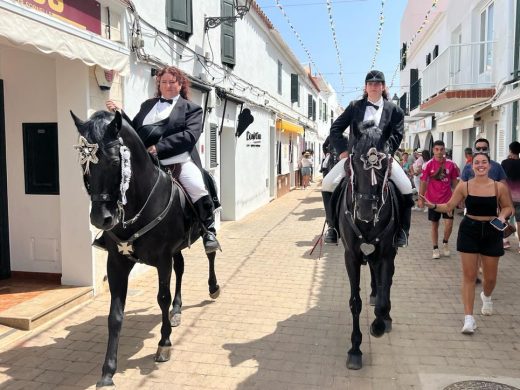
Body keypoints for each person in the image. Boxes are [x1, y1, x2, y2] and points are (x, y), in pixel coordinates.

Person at [105, 66, 219, 253]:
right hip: (147, 161)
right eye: (163, 82)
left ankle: (208, 231)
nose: (167, 86)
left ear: (180, 84)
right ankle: (110, 233)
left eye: (172, 82)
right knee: (119, 184)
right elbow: (134, 131)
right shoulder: (147, 105)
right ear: (159, 84)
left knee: (197, 186)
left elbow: (190, 135)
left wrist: (159, 147)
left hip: (178, 160)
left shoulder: (192, 109)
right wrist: (120, 113)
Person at [421, 152, 513, 334]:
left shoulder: (498, 187)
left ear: (489, 166)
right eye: (477, 162)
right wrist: (431, 205)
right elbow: (449, 206)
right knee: (469, 276)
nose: (480, 165)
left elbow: (508, 206)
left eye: (484, 162)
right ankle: (469, 319)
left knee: (490, 278)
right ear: (472, 166)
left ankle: (486, 296)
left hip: (492, 231)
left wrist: (502, 216)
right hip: (469, 229)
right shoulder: (464, 186)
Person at [322, 70, 412, 246]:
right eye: (370, 83)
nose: (374, 86)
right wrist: (342, 151)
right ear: (366, 87)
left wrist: (386, 153)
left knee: (407, 188)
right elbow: (335, 130)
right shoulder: (355, 106)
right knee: (327, 183)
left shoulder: (395, 110)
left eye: (378, 84)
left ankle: (402, 231)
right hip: (355, 159)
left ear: (383, 86)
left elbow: (397, 135)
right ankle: (332, 228)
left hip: (383, 159)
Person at [460, 139, 508, 249]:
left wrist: (503, 212)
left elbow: (504, 188)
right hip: (471, 214)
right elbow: (461, 187)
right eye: (478, 148)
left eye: (484, 148)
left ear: (489, 150)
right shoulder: (468, 167)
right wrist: (458, 201)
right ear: (474, 150)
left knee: (489, 247)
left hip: (491, 214)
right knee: (472, 247)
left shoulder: (497, 166)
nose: (481, 150)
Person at [417, 140, 459, 259]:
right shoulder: (428, 165)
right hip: (432, 201)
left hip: (448, 201)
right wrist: (421, 199)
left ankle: (445, 242)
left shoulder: (451, 164)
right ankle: (435, 248)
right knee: (435, 225)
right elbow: (423, 182)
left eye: (441, 149)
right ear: (433, 150)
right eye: (437, 149)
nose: (439, 152)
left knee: (449, 224)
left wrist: (459, 198)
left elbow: (455, 182)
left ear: (444, 150)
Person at [501, 141, 520, 253]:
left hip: (507, 196)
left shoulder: (505, 163)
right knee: (519, 222)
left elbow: (501, 178)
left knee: (504, 218)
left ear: (510, 150)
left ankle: (505, 241)